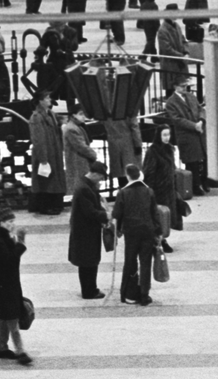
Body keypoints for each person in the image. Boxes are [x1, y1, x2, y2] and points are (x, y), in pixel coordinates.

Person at [0, 209, 32, 365]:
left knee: (4, 318)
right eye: (9, 222)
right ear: (1, 222)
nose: (12, 224)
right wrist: (20, 243)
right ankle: (20, 351)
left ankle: (1, 348)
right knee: (12, 319)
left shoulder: (3, 237)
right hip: (5, 287)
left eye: (13, 221)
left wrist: (18, 242)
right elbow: (10, 259)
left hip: (5, 285)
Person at [112, 163, 160, 306]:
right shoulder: (149, 191)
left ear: (127, 176)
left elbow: (117, 214)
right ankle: (144, 295)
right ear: (140, 175)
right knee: (146, 263)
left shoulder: (123, 193)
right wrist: (158, 232)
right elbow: (155, 213)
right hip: (147, 231)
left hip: (131, 232)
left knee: (130, 261)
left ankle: (128, 293)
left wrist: (118, 229)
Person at [68, 161, 109, 299]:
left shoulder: (86, 185)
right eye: (101, 177)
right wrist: (106, 216)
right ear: (95, 174)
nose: (101, 180)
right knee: (87, 262)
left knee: (89, 261)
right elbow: (90, 212)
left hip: (86, 231)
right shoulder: (84, 189)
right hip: (85, 232)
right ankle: (89, 291)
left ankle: (91, 288)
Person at [164, 79, 207, 195]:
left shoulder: (191, 96)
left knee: (203, 159)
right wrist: (194, 126)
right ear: (175, 86)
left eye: (186, 86)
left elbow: (200, 109)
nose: (185, 88)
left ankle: (204, 182)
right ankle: (194, 186)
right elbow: (177, 120)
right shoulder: (170, 102)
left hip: (199, 132)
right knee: (191, 162)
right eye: (182, 86)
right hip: (186, 135)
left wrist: (201, 121)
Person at [142, 126, 182, 252]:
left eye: (168, 134)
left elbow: (172, 168)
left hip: (169, 189)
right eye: (164, 135)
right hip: (157, 190)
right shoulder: (152, 151)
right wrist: (150, 192)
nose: (167, 137)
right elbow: (149, 172)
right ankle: (160, 241)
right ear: (159, 135)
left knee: (166, 216)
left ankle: (161, 239)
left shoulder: (169, 149)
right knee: (158, 216)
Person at [27, 90, 65, 215]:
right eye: (47, 98)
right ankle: (45, 206)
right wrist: (43, 159)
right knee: (45, 180)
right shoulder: (36, 117)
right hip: (46, 153)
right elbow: (38, 139)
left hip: (53, 152)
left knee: (52, 179)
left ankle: (54, 204)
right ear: (40, 101)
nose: (50, 99)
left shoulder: (51, 114)